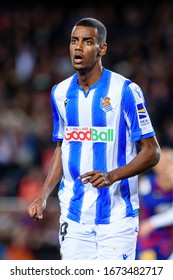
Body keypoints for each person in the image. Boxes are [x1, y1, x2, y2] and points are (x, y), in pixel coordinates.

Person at [27, 17, 161, 260]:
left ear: (102, 49)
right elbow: (62, 147)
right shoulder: (59, 93)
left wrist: (112, 176)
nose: (78, 47)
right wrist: (43, 196)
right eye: (74, 41)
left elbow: (152, 152)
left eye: (88, 42)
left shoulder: (125, 91)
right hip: (74, 215)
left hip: (117, 218)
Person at [136, 147, 173, 260]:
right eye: (160, 162)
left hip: (167, 233)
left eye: (167, 163)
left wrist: (152, 223)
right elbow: (140, 206)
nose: (163, 167)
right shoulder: (147, 183)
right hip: (147, 234)